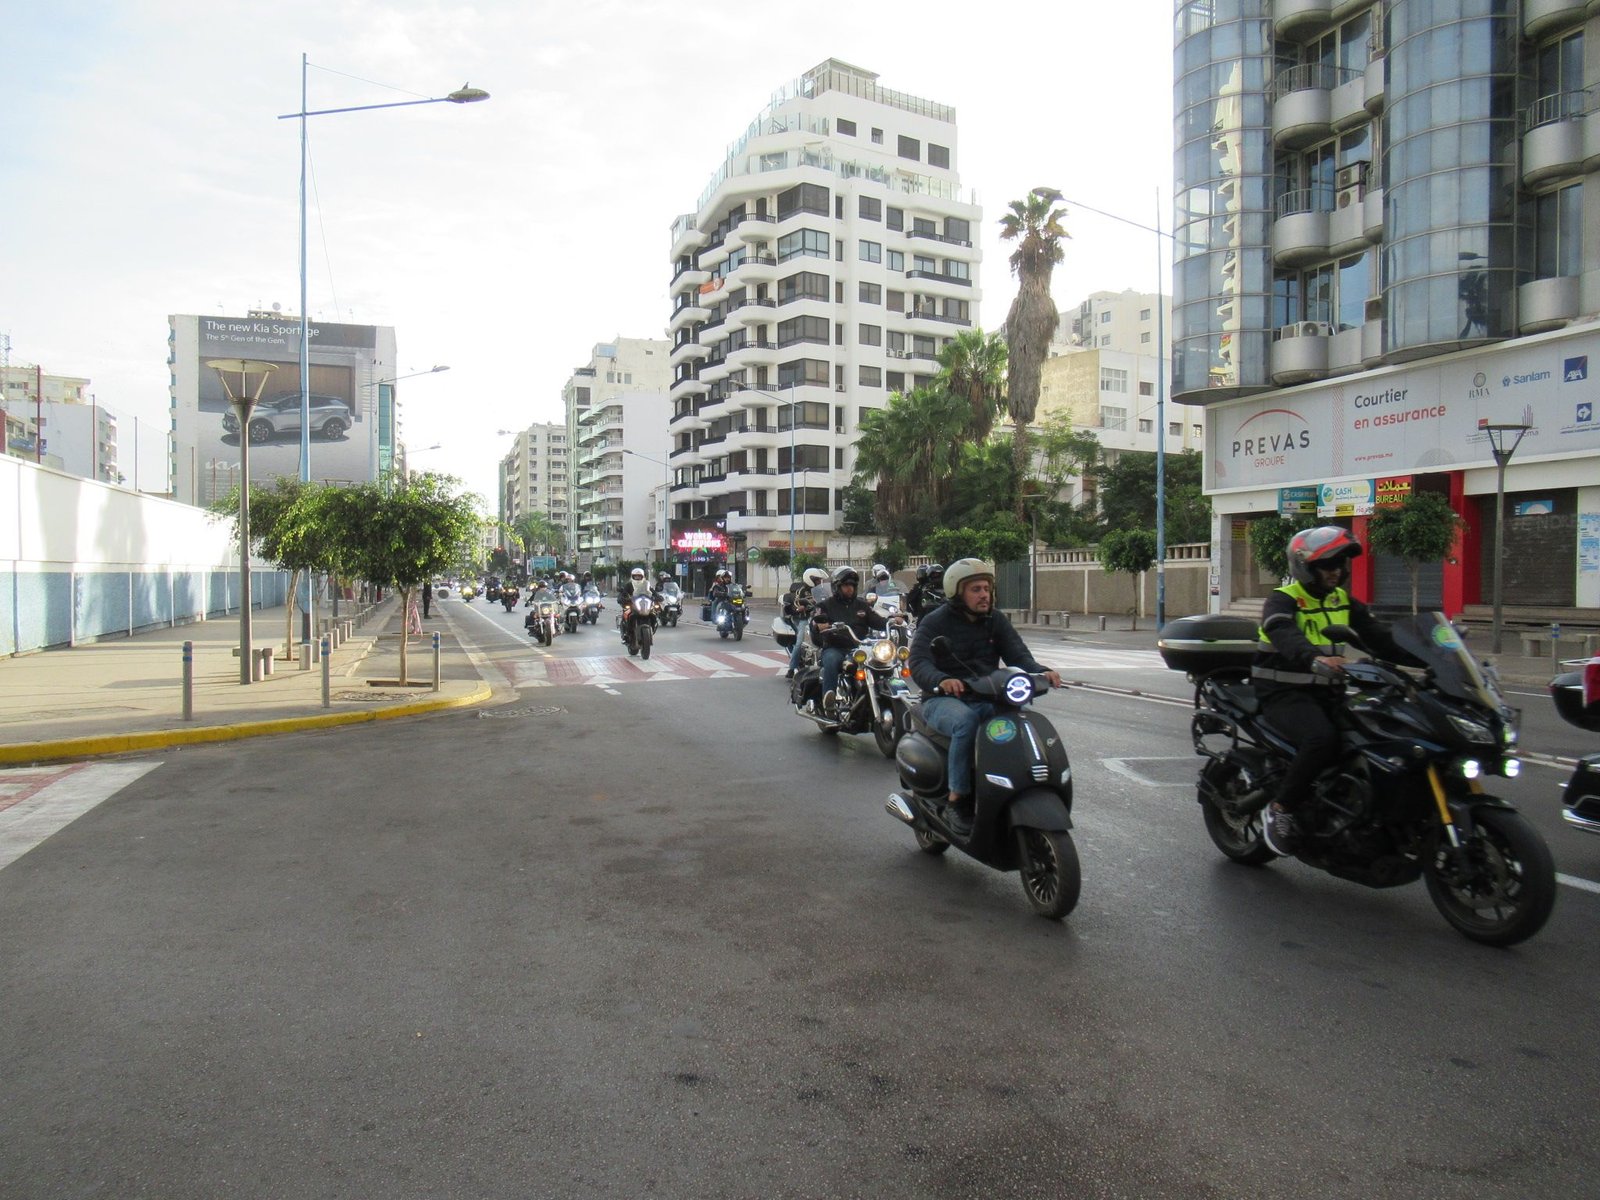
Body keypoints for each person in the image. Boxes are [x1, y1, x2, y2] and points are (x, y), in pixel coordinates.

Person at [1252, 525, 1416, 855]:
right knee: (1321, 739)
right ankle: (1281, 808)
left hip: (1329, 692)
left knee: (1381, 732)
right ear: (1305, 566)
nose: (1336, 571)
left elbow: (1380, 638)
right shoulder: (1284, 599)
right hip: (1283, 692)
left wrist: (1431, 660)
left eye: (1340, 564)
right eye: (1327, 564)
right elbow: (1281, 630)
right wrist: (1313, 658)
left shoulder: (1342, 600)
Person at [909, 558, 1061, 833]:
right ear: (957, 593)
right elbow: (919, 663)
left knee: (1020, 721)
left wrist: (1041, 672)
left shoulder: (995, 620)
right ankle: (956, 800)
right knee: (965, 722)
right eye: (976, 589)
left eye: (987, 589)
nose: (984, 595)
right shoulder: (935, 621)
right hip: (943, 700)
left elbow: (1018, 654)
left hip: (988, 695)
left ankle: (1013, 785)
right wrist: (942, 680)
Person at [812, 566, 892, 714]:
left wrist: (892, 621)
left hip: (859, 647)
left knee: (881, 662)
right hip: (836, 647)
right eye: (846, 585)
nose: (849, 588)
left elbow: (876, 620)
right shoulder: (825, 605)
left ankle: (875, 693)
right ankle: (828, 699)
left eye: (852, 585)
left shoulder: (862, 605)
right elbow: (816, 621)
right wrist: (818, 625)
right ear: (837, 587)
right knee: (831, 660)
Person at [782, 566, 828, 678]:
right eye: (817, 580)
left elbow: (828, 600)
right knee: (799, 643)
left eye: (819, 580)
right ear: (810, 579)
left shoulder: (822, 590)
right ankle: (791, 668)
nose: (819, 582)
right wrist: (801, 607)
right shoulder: (802, 591)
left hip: (820, 617)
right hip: (805, 619)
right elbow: (797, 602)